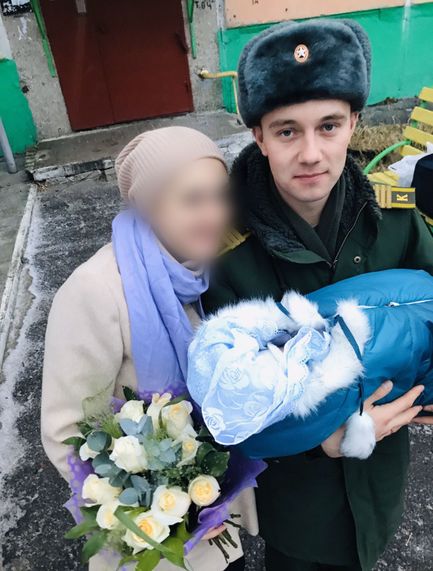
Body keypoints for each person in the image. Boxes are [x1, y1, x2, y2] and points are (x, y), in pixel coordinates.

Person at [203, 19, 433, 571]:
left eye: (328, 126)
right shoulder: (227, 253)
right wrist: (323, 440)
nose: (311, 153)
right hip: (298, 502)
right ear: (258, 136)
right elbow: (225, 396)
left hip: (379, 479)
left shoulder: (395, 219)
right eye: (287, 131)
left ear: (354, 123)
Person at [41, 126, 256, 571]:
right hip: (155, 543)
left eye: (220, 196)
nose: (215, 214)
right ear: (148, 204)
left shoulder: (200, 274)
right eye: (193, 200)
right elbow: (66, 431)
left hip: (217, 514)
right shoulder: (95, 290)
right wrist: (159, 521)